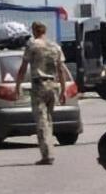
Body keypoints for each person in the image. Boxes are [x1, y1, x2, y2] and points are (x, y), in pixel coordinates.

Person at [14, 21, 69, 165]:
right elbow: (61, 69)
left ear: (34, 31)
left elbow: (23, 68)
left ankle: (47, 155)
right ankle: (49, 150)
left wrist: (17, 86)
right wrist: (63, 90)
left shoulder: (32, 45)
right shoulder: (55, 46)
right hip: (53, 85)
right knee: (48, 119)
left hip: (39, 85)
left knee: (41, 120)